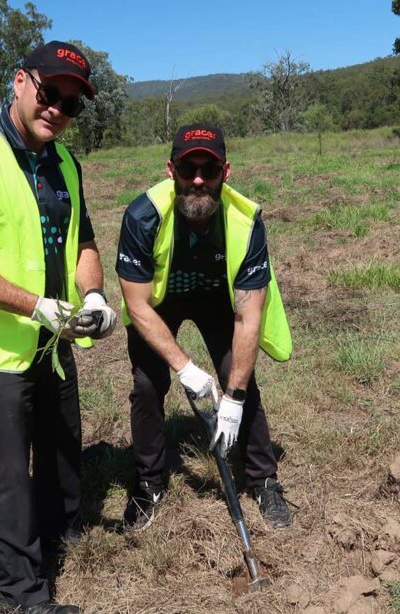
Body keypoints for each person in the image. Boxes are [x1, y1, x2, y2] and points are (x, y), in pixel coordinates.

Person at [0, 41, 116, 614]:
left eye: (72, 103)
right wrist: (34, 305)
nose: (57, 108)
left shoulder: (65, 164)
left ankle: (59, 530)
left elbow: (82, 240)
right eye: (50, 92)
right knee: (7, 474)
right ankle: (23, 596)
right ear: (19, 82)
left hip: (51, 340)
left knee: (61, 444)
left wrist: (96, 294)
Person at [116, 124, 294, 532]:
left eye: (209, 169)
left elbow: (250, 316)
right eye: (187, 167)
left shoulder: (245, 221)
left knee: (241, 375)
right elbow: (137, 305)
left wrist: (232, 396)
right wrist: (186, 369)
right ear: (171, 169)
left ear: (225, 172)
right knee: (147, 384)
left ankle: (264, 478)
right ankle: (149, 483)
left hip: (216, 297)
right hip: (159, 304)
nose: (198, 179)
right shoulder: (142, 217)